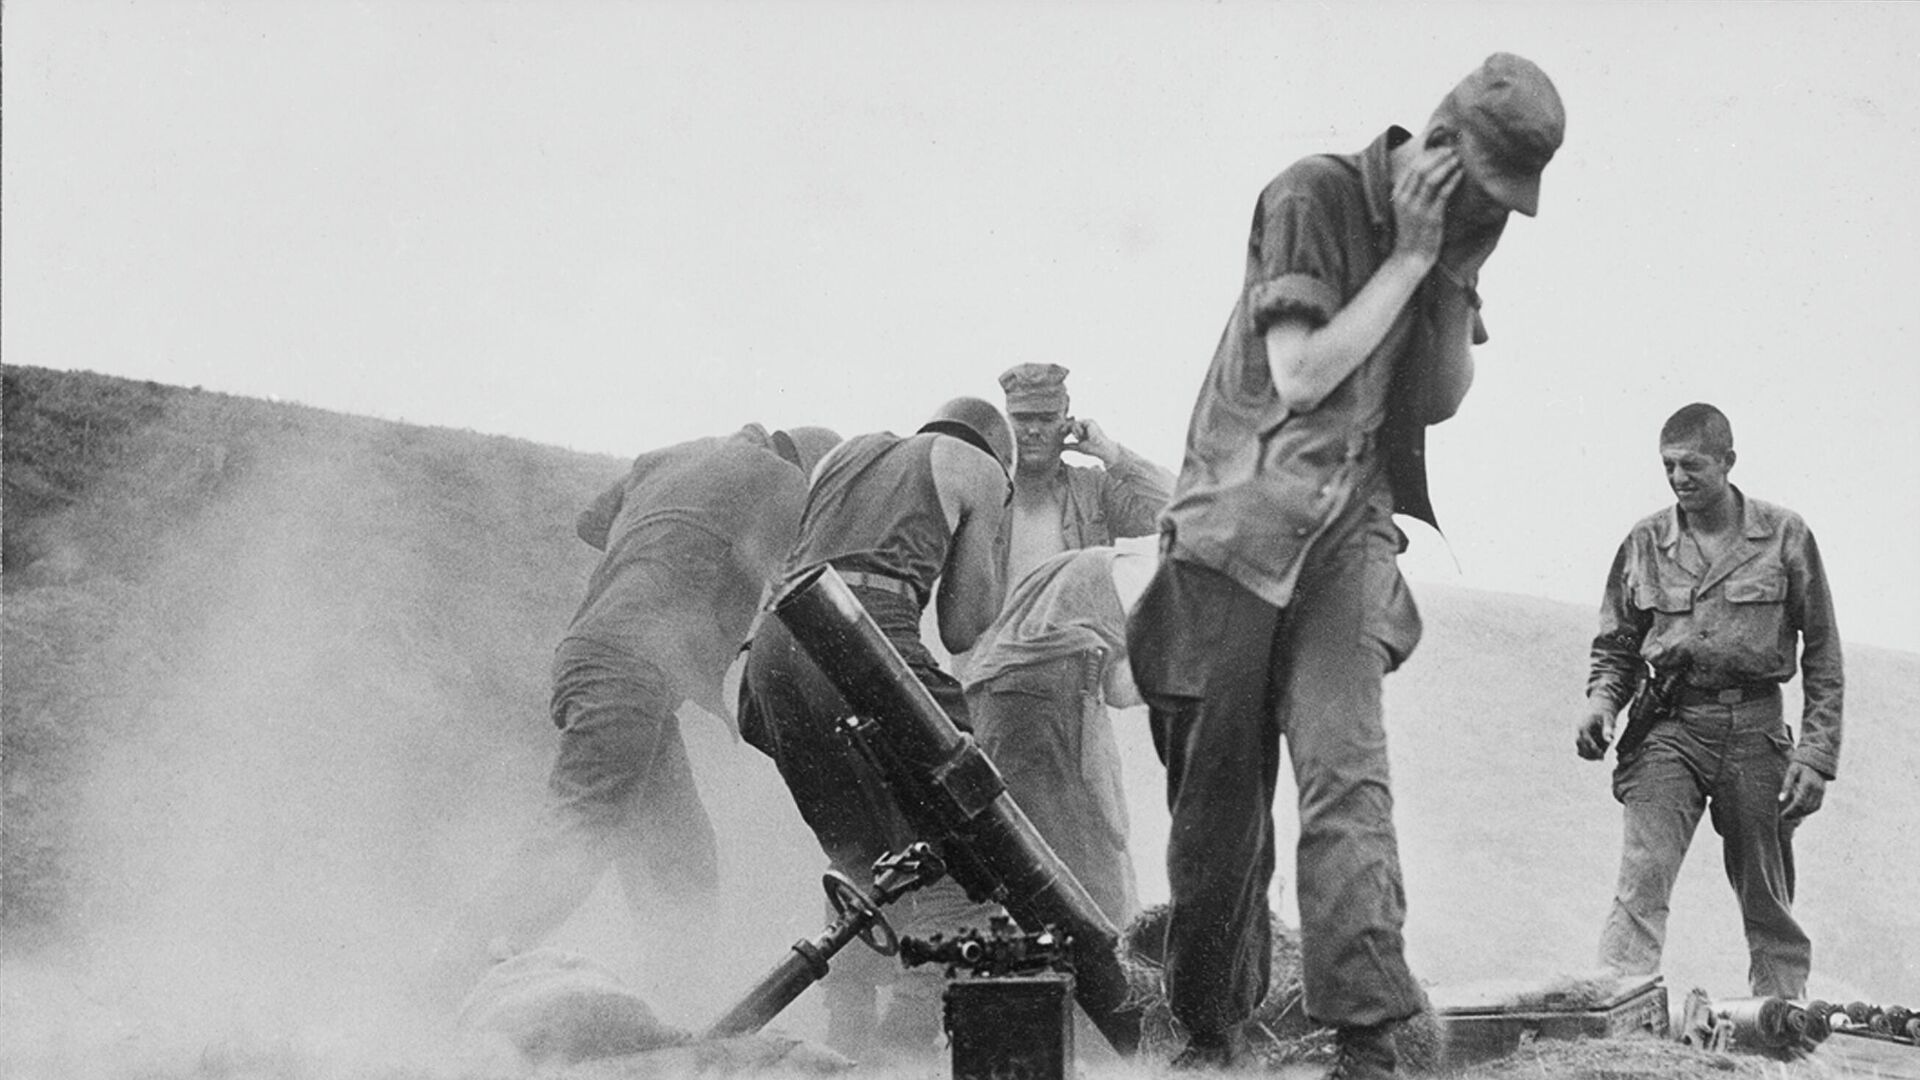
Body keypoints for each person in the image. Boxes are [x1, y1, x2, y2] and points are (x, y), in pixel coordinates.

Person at [1125, 54, 1565, 1076]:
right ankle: (1207, 1035)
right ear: (1444, 154)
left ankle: (1373, 1041)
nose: (1494, 219)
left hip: (1345, 540)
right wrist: (1409, 260)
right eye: (1488, 196)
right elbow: (1305, 373)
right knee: (1219, 827)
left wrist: (1448, 274)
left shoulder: (1454, 240)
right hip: (1236, 530)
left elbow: (1441, 398)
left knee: (1347, 779)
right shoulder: (1312, 194)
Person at [432, 423, 841, 1003]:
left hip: (603, 659)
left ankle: (675, 1008)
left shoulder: (670, 457)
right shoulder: (783, 477)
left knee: (681, 858)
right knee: (581, 829)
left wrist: (662, 550)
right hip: (628, 668)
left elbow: (590, 523)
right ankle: (444, 984)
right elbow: (777, 570)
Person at [739, 397, 1013, 1059]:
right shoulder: (978, 466)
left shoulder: (845, 454)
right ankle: (907, 1044)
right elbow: (963, 626)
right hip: (857, 631)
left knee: (860, 861)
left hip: (777, 644)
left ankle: (846, 1043)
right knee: (961, 839)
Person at [1577, 403, 1842, 1000]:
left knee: (1766, 895)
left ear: (1728, 461)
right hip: (1670, 728)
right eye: (1667, 466)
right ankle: (1618, 1022)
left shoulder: (1785, 536)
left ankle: (1780, 1018)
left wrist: (1817, 755)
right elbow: (1617, 644)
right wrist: (1600, 704)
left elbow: (1823, 650)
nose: (1677, 478)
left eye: (1691, 465)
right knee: (1640, 884)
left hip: (1756, 729)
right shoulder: (1646, 541)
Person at [961, 545, 1157, 928]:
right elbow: (1121, 688)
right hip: (1052, 700)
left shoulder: (1085, 565)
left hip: (992, 704)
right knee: (1092, 872)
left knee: (1030, 860)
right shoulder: (1174, 581)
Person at [998, 362, 1173, 589]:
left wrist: (1113, 454)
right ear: (1006, 421)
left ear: (1067, 422)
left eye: (1047, 418)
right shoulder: (985, 489)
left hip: (1074, 624)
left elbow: (1180, 511)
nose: (1033, 430)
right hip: (1000, 625)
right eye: (1023, 418)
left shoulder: (1094, 489)